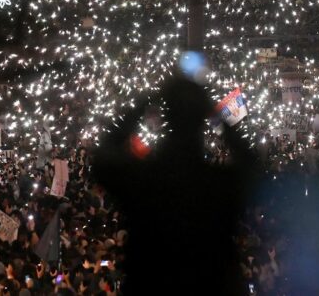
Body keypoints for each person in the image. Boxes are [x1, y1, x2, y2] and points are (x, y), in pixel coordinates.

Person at [92, 76, 257, 295]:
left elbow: (102, 158)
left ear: (166, 116)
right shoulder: (217, 183)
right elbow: (252, 166)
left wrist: (144, 103)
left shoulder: (143, 180)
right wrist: (214, 113)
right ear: (202, 119)